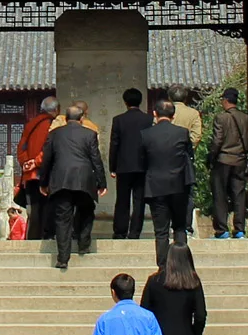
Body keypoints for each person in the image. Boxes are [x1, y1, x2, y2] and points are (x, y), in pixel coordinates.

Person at [40, 102, 107, 269]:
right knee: (86, 211)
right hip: (84, 180)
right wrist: (101, 183)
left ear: (65, 118)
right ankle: (83, 244)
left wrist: (44, 182)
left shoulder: (54, 134)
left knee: (63, 219)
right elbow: (96, 159)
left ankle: (63, 258)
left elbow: (47, 160)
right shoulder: (90, 134)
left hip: (61, 180)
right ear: (82, 118)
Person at [141, 99, 196, 265]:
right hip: (179, 185)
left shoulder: (146, 134)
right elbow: (189, 156)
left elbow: (142, 160)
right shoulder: (182, 133)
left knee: (161, 232)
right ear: (173, 115)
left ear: (155, 113)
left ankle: (163, 268)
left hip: (155, 186)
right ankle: (181, 266)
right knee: (179, 227)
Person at [207, 89, 248, 239]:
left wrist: (211, 157)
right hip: (240, 160)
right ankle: (239, 229)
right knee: (239, 195)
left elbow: (217, 140)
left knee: (220, 194)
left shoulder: (221, 118)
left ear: (225, 100)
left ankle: (222, 229)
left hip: (223, 159)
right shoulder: (247, 119)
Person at [14, 96, 59, 254]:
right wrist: (36, 162)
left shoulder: (31, 124)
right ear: (56, 110)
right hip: (44, 173)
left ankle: (32, 238)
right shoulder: (50, 125)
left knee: (34, 209)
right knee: (46, 208)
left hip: (29, 175)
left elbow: (21, 148)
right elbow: (47, 148)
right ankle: (45, 237)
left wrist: (26, 162)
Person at [107, 88, 151, 242]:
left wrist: (112, 166)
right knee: (139, 200)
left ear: (125, 102)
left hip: (123, 166)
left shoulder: (118, 120)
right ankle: (135, 232)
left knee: (122, 200)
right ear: (140, 101)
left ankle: (120, 231)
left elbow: (114, 144)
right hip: (143, 165)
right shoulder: (148, 120)